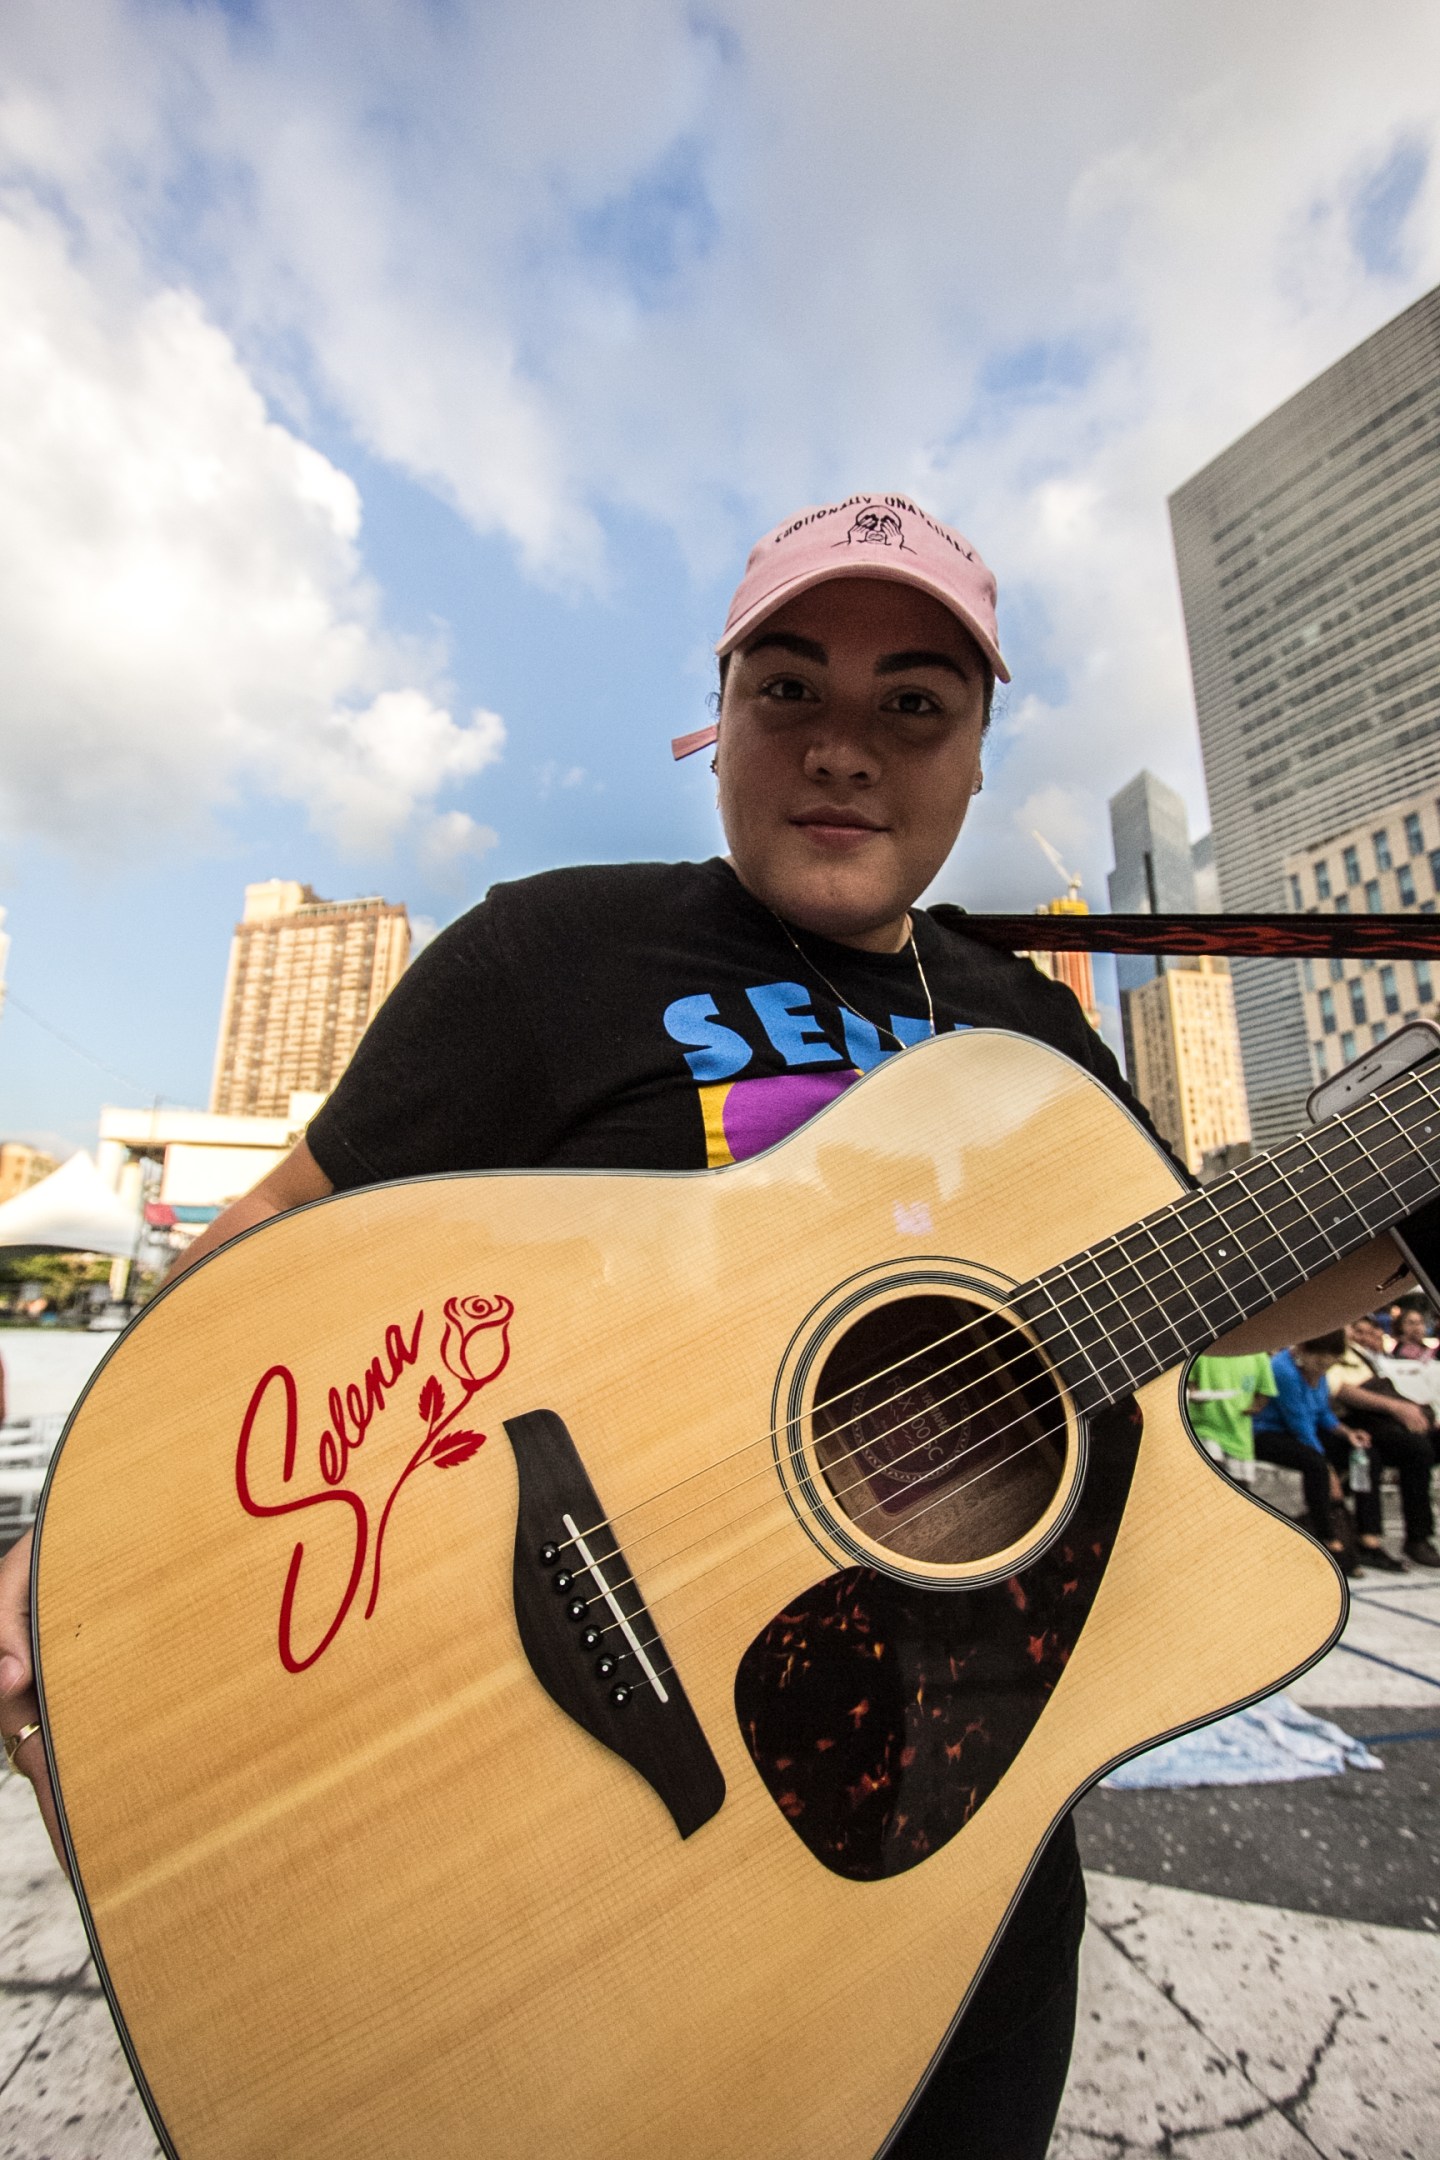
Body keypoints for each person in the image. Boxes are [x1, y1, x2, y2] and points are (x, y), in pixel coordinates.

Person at [0, 493, 1416, 2158]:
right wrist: (77, 1552)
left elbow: (1184, 1287)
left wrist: (1413, 1214)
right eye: (791, 690)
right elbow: (268, 1254)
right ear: (720, 719)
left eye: (913, 707)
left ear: (974, 757)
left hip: (961, 1871)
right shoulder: (557, 947)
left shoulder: (1029, 1025)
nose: (844, 750)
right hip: (601, 1831)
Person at [1252, 1335, 1371, 1574]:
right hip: (1267, 1432)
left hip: (1299, 1429)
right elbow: (1300, 1424)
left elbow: (1322, 1412)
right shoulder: (1283, 1370)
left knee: (1364, 1452)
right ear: (1305, 1351)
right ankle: (1327, 1535)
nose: (1323, 1369)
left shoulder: (1318, 1370)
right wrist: (1329, 1471)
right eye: (1320, 1364)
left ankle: (1368, 1531)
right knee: (1315, 1465)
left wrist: (1347, 1433)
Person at [1328, 1318, 1440, 1569]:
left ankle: (1418, 1534)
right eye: (1355, 1328)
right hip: (1355, 1419)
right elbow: (1342, 1390)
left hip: (1386, 1418)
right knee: (1414, 1450)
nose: (1360, 1334)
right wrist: (1397, 1408)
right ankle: (1416, 1538)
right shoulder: (1330, 1346)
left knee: (1425, 1445)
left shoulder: (1366, 1354)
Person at [1184, 1351, 1276, 1484]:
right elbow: (1189, 1383)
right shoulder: (1204, 1353)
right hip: (1203, 1430)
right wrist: (1194, 1394)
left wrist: (1254, 1407)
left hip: (1239, 1440)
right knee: (1211, 1471)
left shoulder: (1258, 1356)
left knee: (1241, 1488)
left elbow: (1264, 1393)